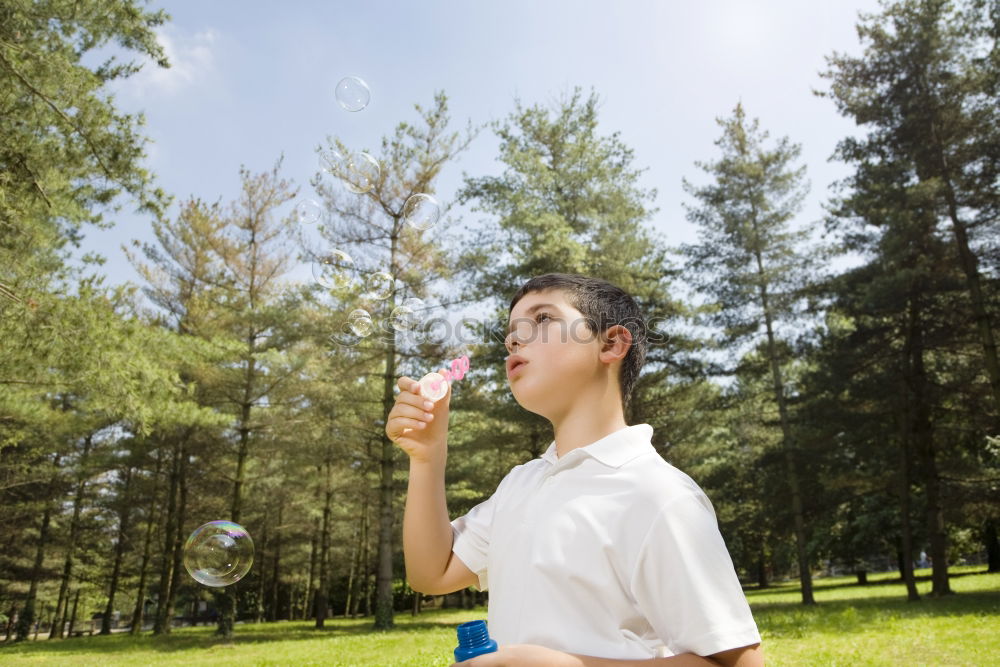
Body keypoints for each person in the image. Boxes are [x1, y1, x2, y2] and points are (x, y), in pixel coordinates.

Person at [387, 273, 763, 666]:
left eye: (543, 319)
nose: (513, 340)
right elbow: (433, 573)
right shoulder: (522, 483)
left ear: (612, 343)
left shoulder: (658, 494)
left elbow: (739, 664)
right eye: (511, 334)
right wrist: (428, 457)